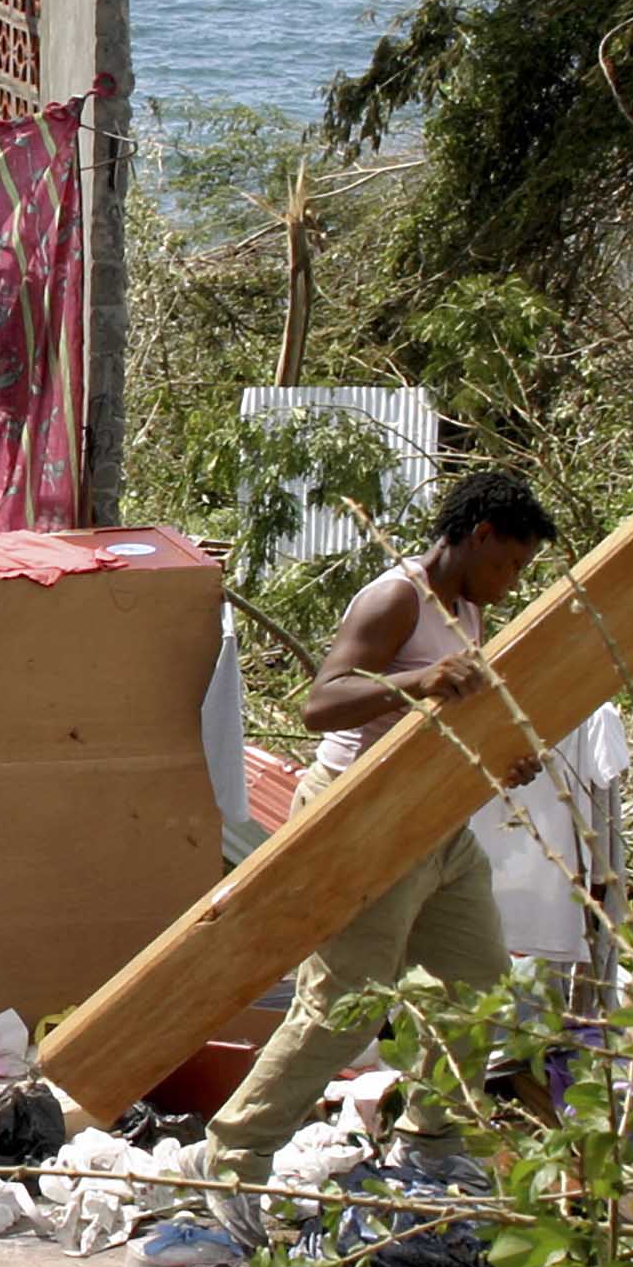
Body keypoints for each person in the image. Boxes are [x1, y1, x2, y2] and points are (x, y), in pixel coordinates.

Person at [195, 468, 562, 1191]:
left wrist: (498, 760)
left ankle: (431, 1138)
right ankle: (233, 1159)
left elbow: (437, 723)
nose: (513, 582)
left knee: (480, 978)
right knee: (343, 1006)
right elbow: (322, 702)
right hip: (360, 817)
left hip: (436, 820)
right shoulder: (399, 597)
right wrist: (418, 682)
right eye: (510, 562)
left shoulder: (466, 609)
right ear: (478, 536)